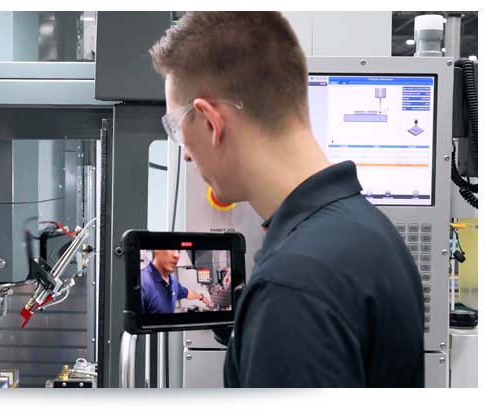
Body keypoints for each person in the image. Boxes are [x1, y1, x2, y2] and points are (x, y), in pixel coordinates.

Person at [150, 12, 424, 387]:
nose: (184, 155)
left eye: (177, 131)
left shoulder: (290, 288)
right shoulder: (372, 232)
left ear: (211, 122)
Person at [140, 250, 211, 314]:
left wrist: (201, 297)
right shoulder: (142, 282)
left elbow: (186, 293)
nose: (177, 255)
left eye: (179, 250)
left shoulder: (173, 280)